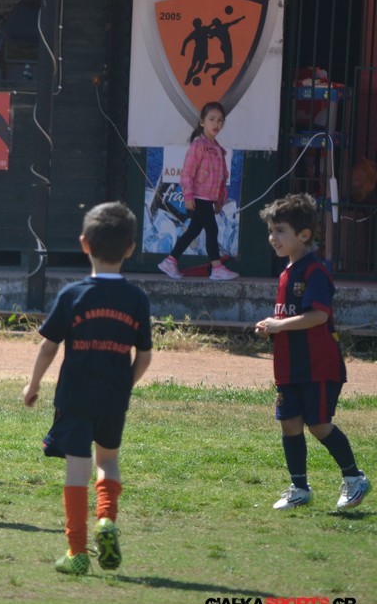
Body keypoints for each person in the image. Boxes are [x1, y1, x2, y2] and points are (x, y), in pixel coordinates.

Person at [22, 202, 153, 575]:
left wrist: (33, 384)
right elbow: (144, 356)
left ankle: (77, 552)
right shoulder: (137, 299)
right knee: (107, 461)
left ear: (84, 244)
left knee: (76, 471)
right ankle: (106, 519)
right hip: (113, 397)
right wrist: (125, 386)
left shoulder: (72, 294)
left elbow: (48, 346)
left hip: (75, 396)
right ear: (130, 248)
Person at [254, 193, 369, 511]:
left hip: (318, 365)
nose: (273, 237)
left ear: (304, 234)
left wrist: (279, 325)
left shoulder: (314, 271)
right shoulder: (286, 272)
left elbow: (318, 316)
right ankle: (299, 488)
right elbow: (291, 318)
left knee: (318, 425)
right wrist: (272, 327)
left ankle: (354, 478)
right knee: (289, 423)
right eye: (271, 231)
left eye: (280, 231)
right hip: (289, 366)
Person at [157, 101, 239, 281]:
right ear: (202, 122)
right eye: (212, 119)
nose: (216, 124)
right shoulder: (198, 146)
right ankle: (217, 267)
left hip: (209, 198)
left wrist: (219, 200)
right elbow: (187, 173)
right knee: (212, 229)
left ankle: (170, 260)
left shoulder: (218, 149)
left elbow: (221, 177)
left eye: (220, 120)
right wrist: (188, 196)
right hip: (199, 196)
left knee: (193, 230)